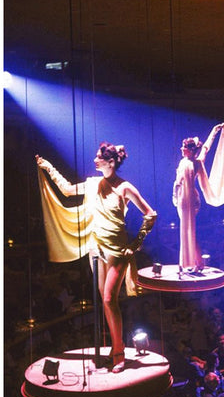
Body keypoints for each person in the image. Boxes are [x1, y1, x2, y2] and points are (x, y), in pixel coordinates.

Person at [36, 143, 157, 372]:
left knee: (110, 300)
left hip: (118, 250)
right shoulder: (92, 184)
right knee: (105, 301)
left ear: (111, 162)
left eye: (99, 157)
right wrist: (48, 168)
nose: (94, 159)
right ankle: (114, 347)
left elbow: (150, 214)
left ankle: (119, 352)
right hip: (97, 247)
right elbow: (68, 190)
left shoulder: (125, 187)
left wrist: (136, 244)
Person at [172, 123, 224, 271]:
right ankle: (196, 262)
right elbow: (177, 182)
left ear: (191, 150)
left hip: (190, 200)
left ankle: (195, 263)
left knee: (190, 230)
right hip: (181, 199)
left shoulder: (197, 163)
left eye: (184, 147)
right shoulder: (183, 161)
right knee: (186, 230)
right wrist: (175, 196)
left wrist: (214, 132)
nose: (181, 149)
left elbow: (206, 149)